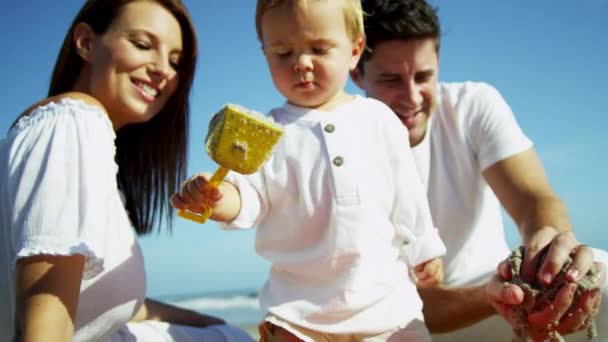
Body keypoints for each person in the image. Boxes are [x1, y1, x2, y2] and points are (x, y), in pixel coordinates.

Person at [171, 0, 447, 340]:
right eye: (283, 53)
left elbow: (407, 194)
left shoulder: (380, 120)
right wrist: (215, 197)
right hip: (298, 314)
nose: (301, 63)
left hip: (387, 306)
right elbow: (249, 197)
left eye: (319, 48)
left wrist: (425, 248)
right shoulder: (266, 131)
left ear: (355, 50)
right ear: (265, 54)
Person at [349, 0, 608, 341]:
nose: (411, 97)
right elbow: (388, 303)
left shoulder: (472, 106)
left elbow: (533, 199)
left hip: (499, 298)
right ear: (355, 71)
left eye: (424, 76)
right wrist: (498, 298)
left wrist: (552, 260)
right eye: (390, 79)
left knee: (599, 272)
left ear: (439, 62)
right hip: (413, 323)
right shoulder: (341, 149)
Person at [0, 0, 254, 341]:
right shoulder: (72, 123)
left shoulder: (84, 143)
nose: (163, 69)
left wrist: (209, 322)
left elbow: (101, 300)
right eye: (142, 44)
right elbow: (44, 323)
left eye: (176, 61)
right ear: (86, 42)